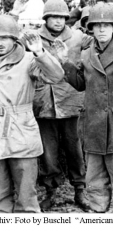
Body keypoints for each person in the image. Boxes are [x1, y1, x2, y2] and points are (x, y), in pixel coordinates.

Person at [54, 3, 113, 212]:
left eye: (107, 25)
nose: (101, 29)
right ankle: (99, 213)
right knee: (95, 182)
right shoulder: (86, 54)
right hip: (94, 127)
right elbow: (80, 83)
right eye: (97, 25)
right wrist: (64, 61)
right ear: (91, 28)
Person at [33, 0, 93, 211]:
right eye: (53, 17)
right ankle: (51, 190)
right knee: (48, 151)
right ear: (46, 18)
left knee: (75, 148)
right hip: (44, 102)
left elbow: (98, 44)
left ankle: (80, 189)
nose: (58, 21)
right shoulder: (35, 38)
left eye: (61, 17)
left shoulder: (77, 37)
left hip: (71, 101)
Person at [0, 15, 64, 213]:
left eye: (4, 38)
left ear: (15, 39)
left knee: (27, 197)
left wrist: (40, 53)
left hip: (21, 131)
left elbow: (56, 75)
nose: (0, 43)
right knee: (0, 195)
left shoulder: (29, 60)